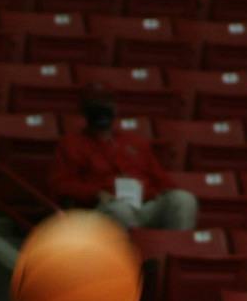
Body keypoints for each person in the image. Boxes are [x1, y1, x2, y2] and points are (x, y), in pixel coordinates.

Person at [49, 91, 199, 231]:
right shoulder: (71, 144)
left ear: (115, 109)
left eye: (106, 106)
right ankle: (136, 258)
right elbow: (61, 185)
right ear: (85, 111)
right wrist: (96, 193)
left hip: (145, 204)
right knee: (120, 210)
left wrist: (163, 192)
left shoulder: (134, 141)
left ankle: (176, 253)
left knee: (183, 199)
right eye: (96, 106)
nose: (101, 112)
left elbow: (161, 178)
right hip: (104, 207)